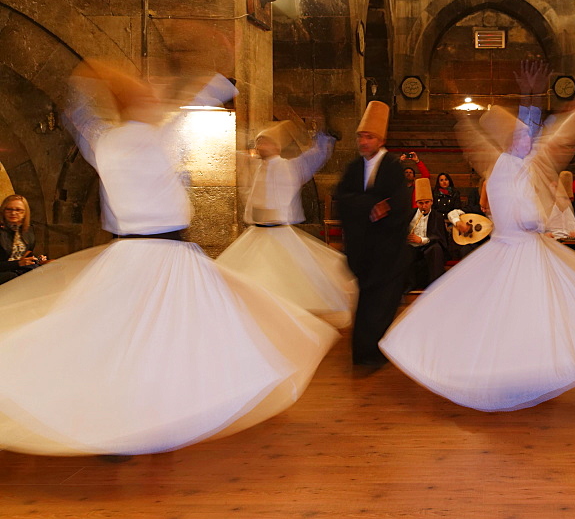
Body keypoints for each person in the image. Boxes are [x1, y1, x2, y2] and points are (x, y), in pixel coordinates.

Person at [0, 59, 337, 456]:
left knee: (122, 336)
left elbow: (80, 120)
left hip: (127, 254)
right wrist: (220, 81)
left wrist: (85, 84)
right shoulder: (154, 136)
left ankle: (124, 420)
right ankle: (152, 415)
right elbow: (196, 102)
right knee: (187, 335)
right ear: (138, 107)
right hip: (164, 256)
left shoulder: (106, 140)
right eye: (146, 96)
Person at [379, 89, 575, 412]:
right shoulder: (501, 167)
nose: (527, 142)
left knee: (545, 313)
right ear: (509, 143)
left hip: (532, 250)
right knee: (507, 314)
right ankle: (506, 372)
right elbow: (517, 177)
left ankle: (536, 369)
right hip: (510, 250)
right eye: (520, 138)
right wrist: (473, 117)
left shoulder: (525, 163)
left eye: (526, 137)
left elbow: (551, 136)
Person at [216, 121, 358, 327]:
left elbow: (313, 158)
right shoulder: (257, 167)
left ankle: (280, 319)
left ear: (275, 146)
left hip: (279, 233)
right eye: (258, 142)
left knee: (286, 278)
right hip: (256, 233)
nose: (260, 146)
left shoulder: (288, 166)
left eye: (264, 142)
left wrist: (325, 139)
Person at [335, 101, 412, 367]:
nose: (363, 142)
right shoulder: (354, 168)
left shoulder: (392, 166)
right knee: (368, 301)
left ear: (380, 139)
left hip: (387, 250)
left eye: (368, 137)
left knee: (381, 304)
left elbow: (401, 203)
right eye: (360, 136)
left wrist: (385, 206)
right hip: (363, 249)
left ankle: (373, 352)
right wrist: (371, 205)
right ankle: (365, 351)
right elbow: (342, 197)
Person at [407, 177, 448, 290]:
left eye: (426, 203)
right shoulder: (409, 215)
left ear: (431, 202)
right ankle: (409, 286)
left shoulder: (437, 216)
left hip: (428, 245)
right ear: (416, 203)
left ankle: (435, 285)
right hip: (411, 246)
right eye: (420, 203)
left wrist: (421, 240)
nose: (424, 206)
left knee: (435, 249)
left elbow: (439, 237)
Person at [0, 194, 46, 285]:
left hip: (18, 270)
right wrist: (18, 264)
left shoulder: (28, 230)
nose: (13, 213)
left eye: (18, 210)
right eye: (9, 209)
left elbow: (25, 254)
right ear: (2, 211)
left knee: (52, 270)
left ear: (25, 213)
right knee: (16, 278)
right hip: (5, 272)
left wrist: (37, 258)